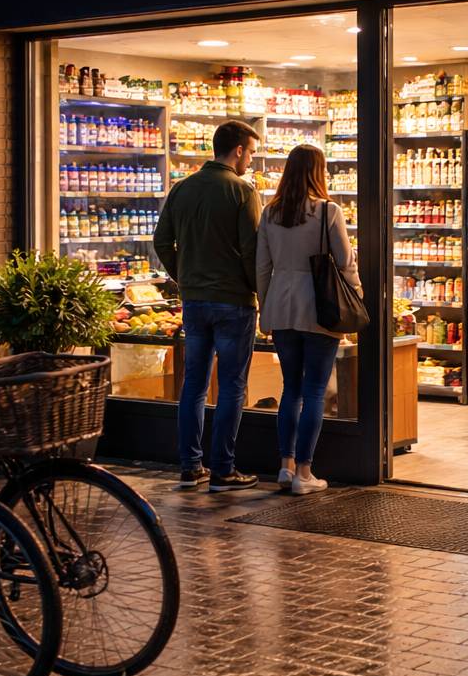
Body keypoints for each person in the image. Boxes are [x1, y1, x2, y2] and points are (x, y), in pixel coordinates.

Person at [153, 119, 262, 492]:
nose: (251, 160)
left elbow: (161, 241)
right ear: (238, 151)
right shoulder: (242, 192)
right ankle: (223, 470)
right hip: (234, 302)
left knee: (194, 385)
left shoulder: (181, 189)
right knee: (232, 386)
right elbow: (251, 251)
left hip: (194, 302)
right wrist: (258, 290)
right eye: (251, 153)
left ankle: (190, 467)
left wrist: (184, 277)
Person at [256, 145, 359, 496]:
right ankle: (304, 471)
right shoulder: (328, 211)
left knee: (291, 389)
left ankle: (285, 467)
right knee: (315, 390)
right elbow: (345, 263)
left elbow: (262, 266)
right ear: (318, 171)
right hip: (319, 307)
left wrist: (265, 308)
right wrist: (356, 298)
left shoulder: (271, 213)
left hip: (281, 306)